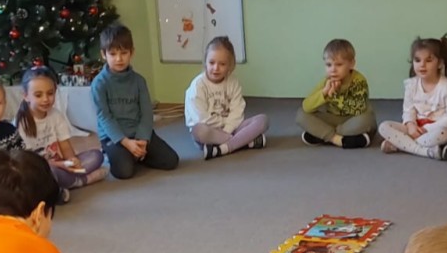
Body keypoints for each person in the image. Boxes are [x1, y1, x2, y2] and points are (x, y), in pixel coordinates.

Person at [92, 23, 180, 178]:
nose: (119, 59)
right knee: (124, 172)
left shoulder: (139, 81)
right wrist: (126, 143)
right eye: (112, 54)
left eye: (124, 53)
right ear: (103, 54)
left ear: (131, 53)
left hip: (138, 132)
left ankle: (136, 153)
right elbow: (104, 117)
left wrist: (143, 140)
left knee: (171, 161)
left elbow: (146, 112)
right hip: (114, 137)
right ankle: (121, 154)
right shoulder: (99, 83)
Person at [18, 65, 108, 195]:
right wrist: (57, 165)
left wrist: (72, 160)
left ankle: (64, 184)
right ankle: (83, 181)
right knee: (48, 173)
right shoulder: (22, 123)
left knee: (96, 156)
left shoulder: (56, 115)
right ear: (26, 96)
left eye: (50, 93)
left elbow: (65, 145)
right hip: (38, 168)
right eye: (38, 95)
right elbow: (26, 160)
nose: (45, 99)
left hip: (60, 165)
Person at [185, 35, 268, 159]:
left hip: (232, 128)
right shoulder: (198, 85)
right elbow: (201, 117)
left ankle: (222, 148)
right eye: (211, 63)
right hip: (210, 131)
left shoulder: (233, 82)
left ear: (230, 65)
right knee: (199, 131)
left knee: (263, 120)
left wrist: (228, 129)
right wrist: (224, 132)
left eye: (222, 64)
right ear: (205, 62)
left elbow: (237, 111)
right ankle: (243, 142)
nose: (216, 68)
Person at [379, 35, 447, 159]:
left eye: (428, 60)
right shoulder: (411, 85)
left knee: (445, 134)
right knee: (384, 127)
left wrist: (427, 129)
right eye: (417, 60)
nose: (422, 65)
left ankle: (401, 144)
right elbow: (408, 111)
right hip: (415, 128)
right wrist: (410, 125)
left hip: (436, 129)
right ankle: (424, 151)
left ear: (440, 63)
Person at [296, 38, 376, 149]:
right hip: (332, 118)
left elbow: (358, 109)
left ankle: (323, 135)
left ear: (351, 64)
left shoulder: (359, 81)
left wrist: (335, 93)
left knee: (367, 120)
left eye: (339, 65)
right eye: (329, 65)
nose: (333, 70)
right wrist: (325, 93)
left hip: (351, 119)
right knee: (301, 115)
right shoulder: (327, 81)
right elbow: (306, 106)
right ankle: (339, 139)